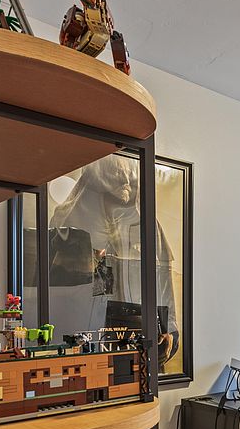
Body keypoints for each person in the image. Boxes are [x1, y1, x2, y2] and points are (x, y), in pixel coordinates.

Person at [49, 155, 179, 370]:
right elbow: (60, 288)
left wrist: (169, 328)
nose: (125, 186)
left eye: (129, 180)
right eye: (117, 179)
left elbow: (161, 278)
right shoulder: (67, 222)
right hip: (86, 331)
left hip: (134, 332)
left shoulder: (146, 226)